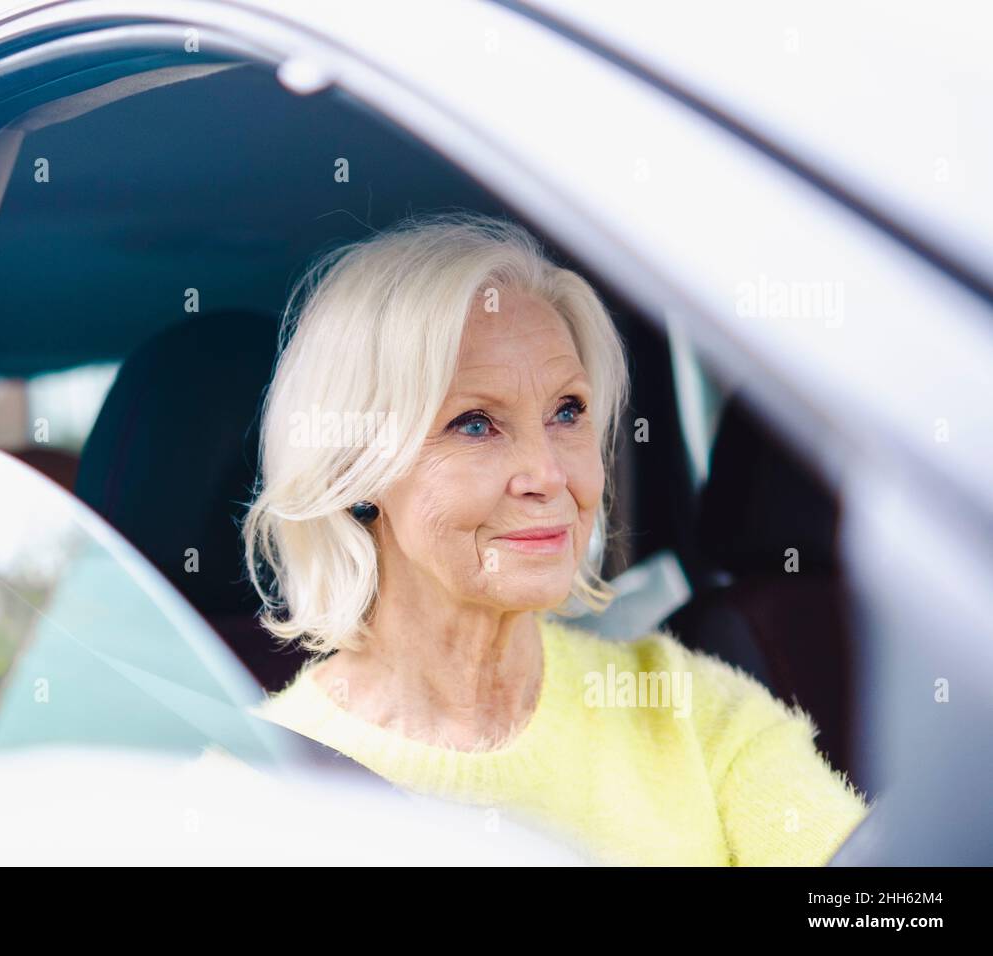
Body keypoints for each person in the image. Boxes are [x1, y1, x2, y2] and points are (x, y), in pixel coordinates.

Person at [242, 210, 870, 865]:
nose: (548, 474)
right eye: (476, 424)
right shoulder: (257, 789)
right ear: (354, 469)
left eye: (567, 412)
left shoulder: (697, 715)